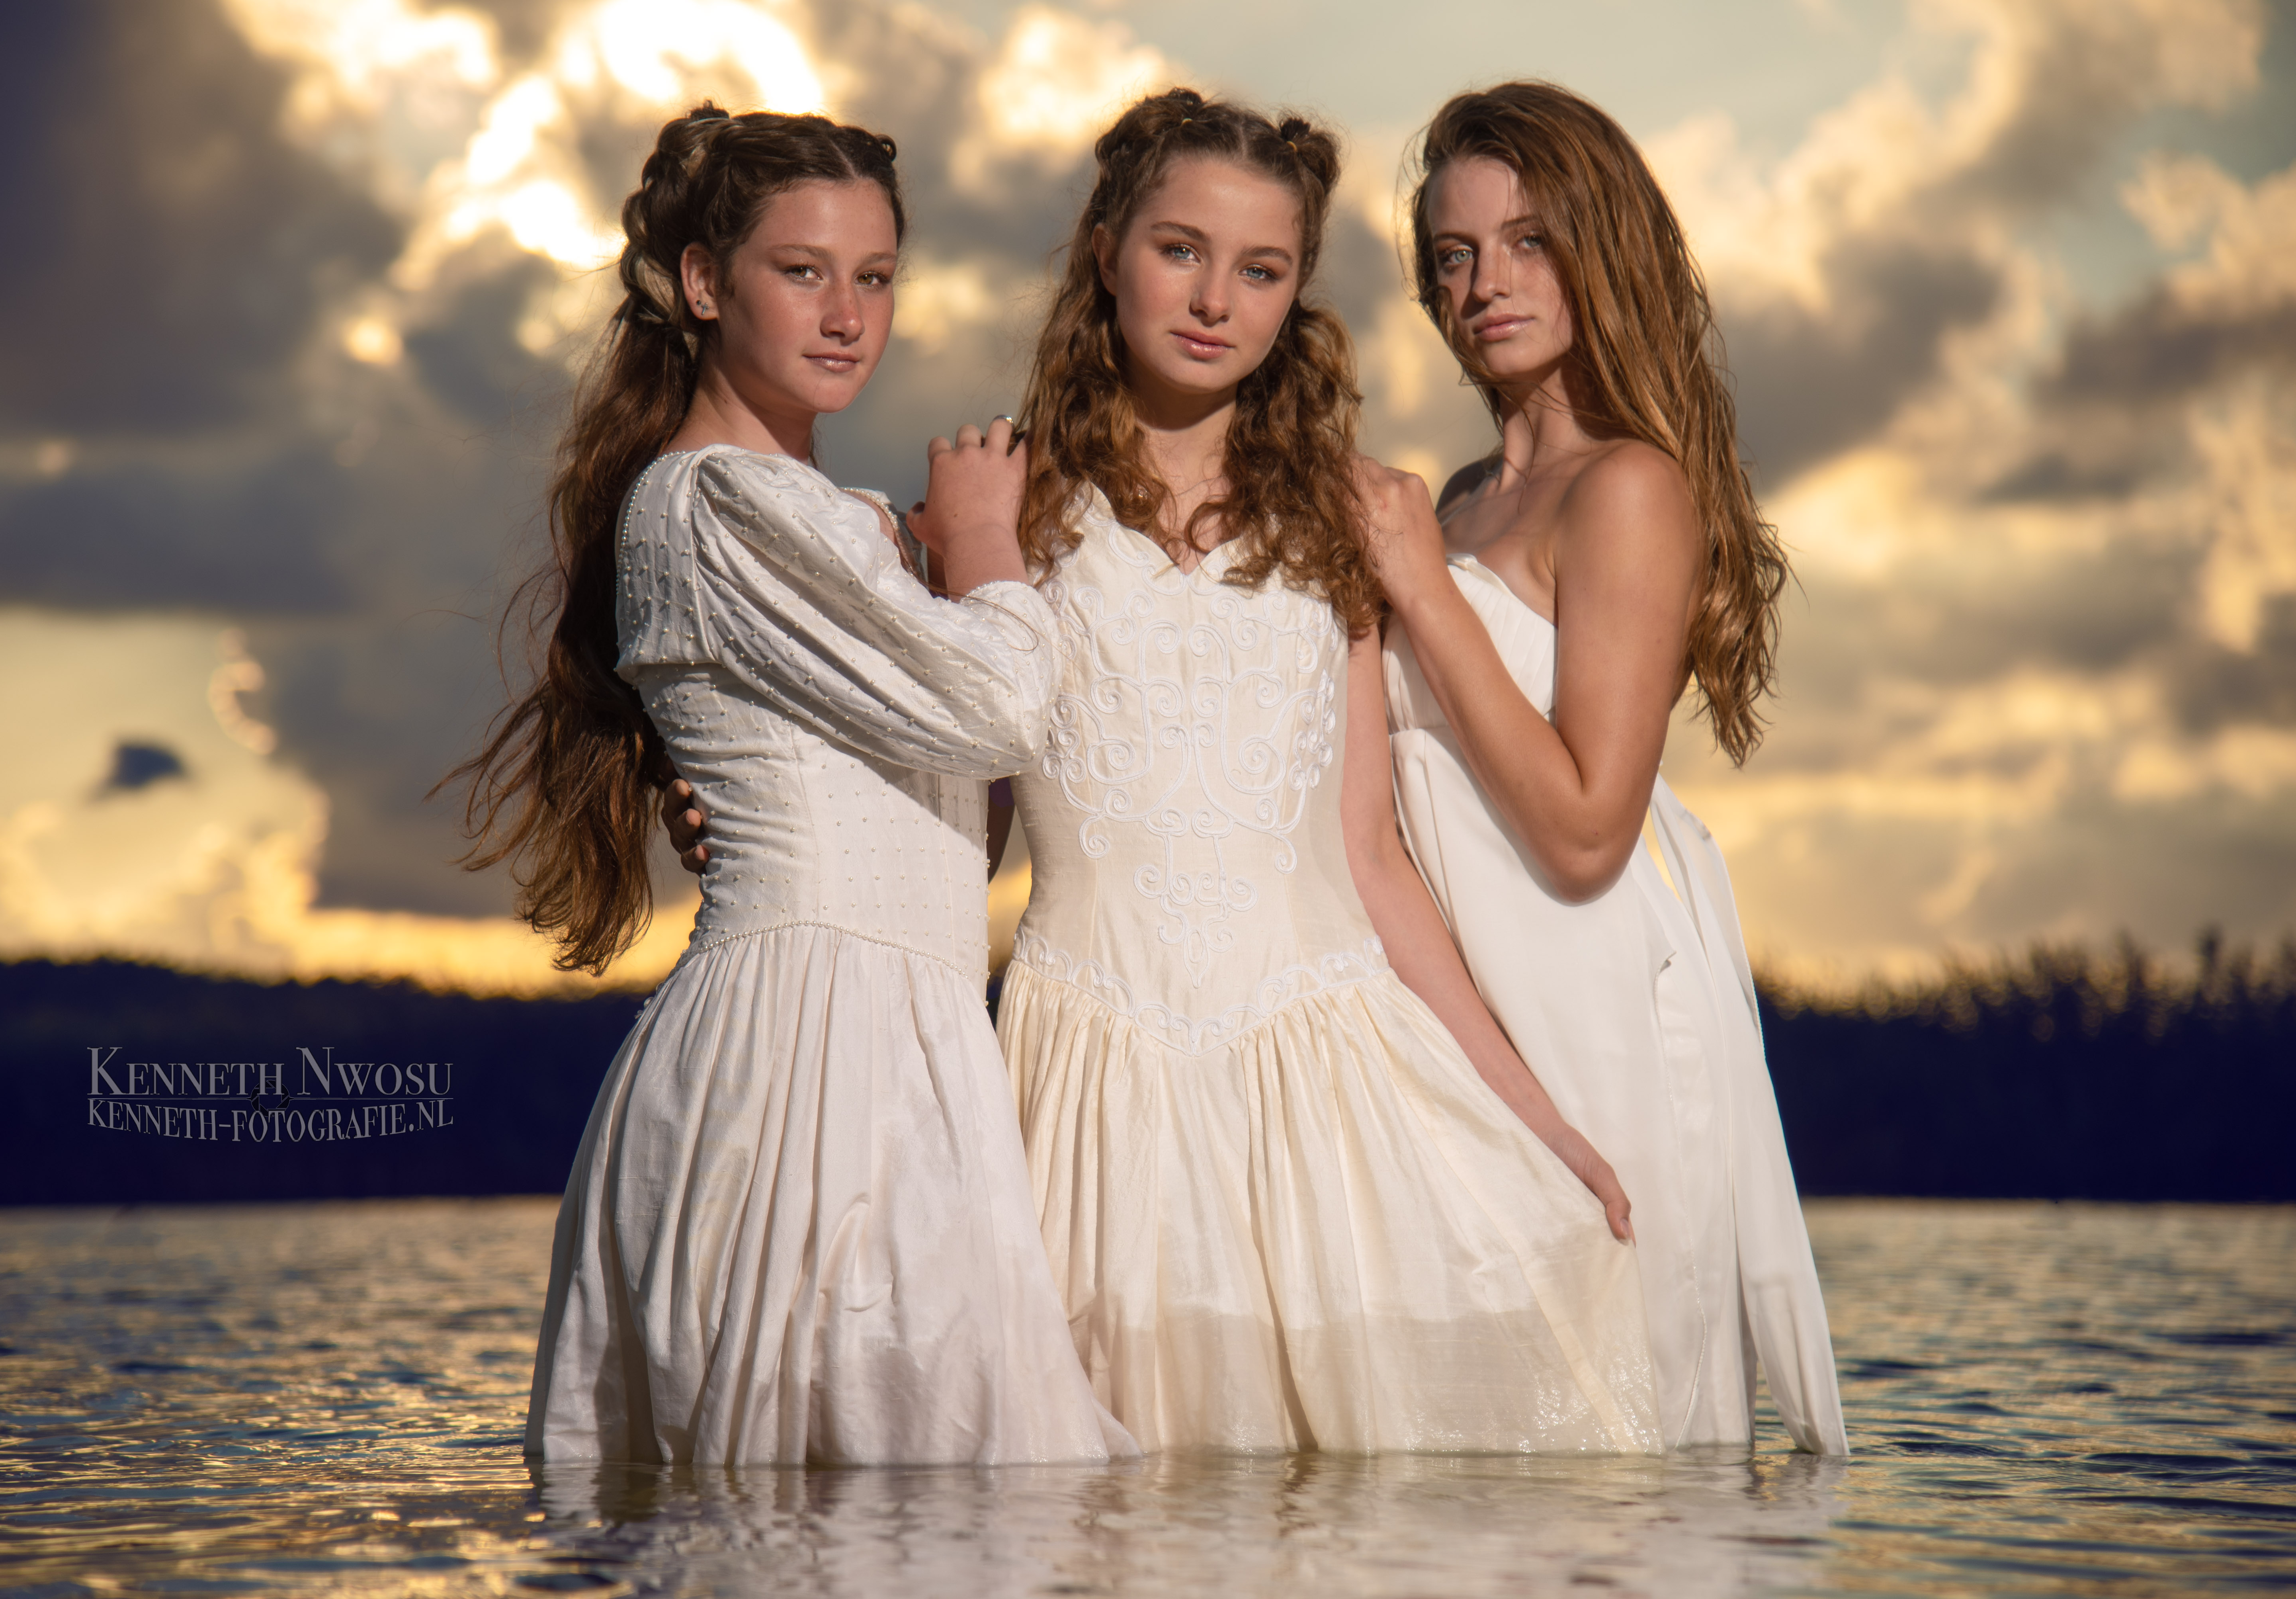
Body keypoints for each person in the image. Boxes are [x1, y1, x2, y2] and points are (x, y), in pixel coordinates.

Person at [454, 105, 1133, 1466]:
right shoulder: (711, 503)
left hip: (905, 1026)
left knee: (939, 1498)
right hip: (810, 1051)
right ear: (705, 284)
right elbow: (1001, 704)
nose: (848, 315)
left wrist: (936, 570)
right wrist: (989, 545)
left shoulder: (838, 524)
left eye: (874, 277)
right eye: (802, 271)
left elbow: (964, 814)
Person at [987, 90, 1658, 1454]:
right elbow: (953, 828)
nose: (1213, 299)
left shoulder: (1333, 521)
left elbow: (1370, 858)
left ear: (1298, 296)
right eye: (1180, 250)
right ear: (1106, 249)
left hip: (1313, 1077)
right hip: (1076, 1072)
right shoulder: (1003, 509)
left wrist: (1547, 1127)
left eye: (1263, 270)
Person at [1364, 82, 1847, 1453]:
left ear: (1601, 248)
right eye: (1452, 255)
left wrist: (1421, 586)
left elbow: (1586, 829)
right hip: (1462, 994)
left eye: (1527, 241)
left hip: (1586, 990)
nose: (1484, 283)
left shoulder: (1626, 487)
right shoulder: (1457, 501)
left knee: (1605, 1425)